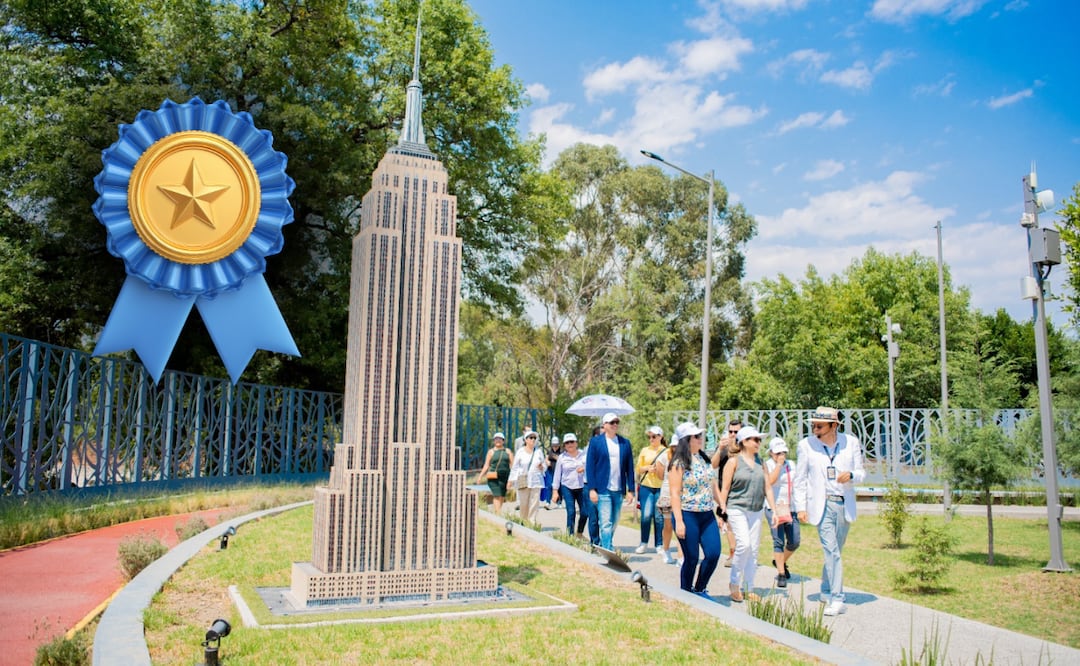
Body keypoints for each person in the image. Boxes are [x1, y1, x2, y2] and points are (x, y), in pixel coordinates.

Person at [793, 406, 865, 617]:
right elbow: (800, 479)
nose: (815, 429)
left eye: (820, 426)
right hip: (821, 505)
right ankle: (837, 598)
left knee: (836, 552)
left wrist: (851, 475)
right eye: (814, 425)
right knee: (831, 551)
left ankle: (826, 588)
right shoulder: (806, 445)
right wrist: (800, 508)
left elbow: (861, 473)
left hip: (843, 503)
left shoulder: (851, 443)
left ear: (833, 426)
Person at [718, 425, 777, 603]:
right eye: (755, 439)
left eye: (759, 440)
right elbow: (725, 488)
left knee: (754, 549)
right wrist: (722, 512)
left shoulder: (761, 462)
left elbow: (767, 487)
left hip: (756, 509)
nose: (758, 442)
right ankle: (734, 583)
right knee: (744, 545)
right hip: (737, 508)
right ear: (744, 441)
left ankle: (749, 587)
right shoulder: (733, 462)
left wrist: (774, 510)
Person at [669, 421, 722, 596]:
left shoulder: (703, 459)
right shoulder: (678, 463)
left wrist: (723, 507)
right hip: (687, 514)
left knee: (713, 553)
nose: (700, 439)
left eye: (700, 435)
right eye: (696, 436)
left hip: (706, 514)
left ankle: (700, 588)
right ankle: (685, 593)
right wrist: (679, 521)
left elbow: (713, 485)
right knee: (691, 558)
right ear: (686, 440)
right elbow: (675, 493)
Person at [585, 412, 635, 551]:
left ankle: (605, 543)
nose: (615, 425)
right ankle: (608, 549)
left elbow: (630, 467)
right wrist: (592, 489)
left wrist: (631, 490)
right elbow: (590, 466)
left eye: (617, 422)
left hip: (618, 489)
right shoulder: (596, 442)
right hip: (603, 488)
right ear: (605, 425)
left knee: (614, 520)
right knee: (605, 522)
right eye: (612, 422)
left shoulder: (625, 443)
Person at [765, 436, 800, 588]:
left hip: (790, 507)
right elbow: (769, 482)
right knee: (778, 540)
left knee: (794, 541)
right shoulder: (767, 465)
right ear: (771, 453)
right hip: (774, 507)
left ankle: (780, 561)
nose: (781, 455)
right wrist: (778, 465)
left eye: (783, 452)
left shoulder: (791, 464)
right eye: (778, 453)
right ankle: (781, 573)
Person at [712, 419, 742, 566]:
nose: (733, 434)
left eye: (736, 432)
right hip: (725, 491)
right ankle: (733, 552)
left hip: (740, 491)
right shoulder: (723, 447)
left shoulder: (744, 447)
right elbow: (713, 465)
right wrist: (720, 449)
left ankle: (742, 552)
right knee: (729, 522)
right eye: (730, 431)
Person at [635, 425, 667, 555]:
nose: (651, 439)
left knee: (659, 517)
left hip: (661, 487)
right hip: (646, 486)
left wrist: (659, 470)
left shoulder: (666, 451)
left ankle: (659, 544)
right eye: (649, 436)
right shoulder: (645, 450)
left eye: (654, 436)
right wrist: (647, 468)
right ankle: (643, 543)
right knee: (646, 515)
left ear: (660, 437)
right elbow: (638, 469)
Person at [552, 433, 587, 536]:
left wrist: (584, 468)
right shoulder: (562, 457)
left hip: (582, 486)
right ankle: (570, 536)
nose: (570, 444)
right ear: (564, 445)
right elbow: (557, 475)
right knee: (571, 512)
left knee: (585, 512)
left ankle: (579, 532)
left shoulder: (584, 455)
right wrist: (555, 491)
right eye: (567, 443)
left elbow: (591, 466)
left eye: (572, 442)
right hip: (567, 487)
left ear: (576, 443)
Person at [509, 430, 547, 524]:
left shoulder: (538, 452)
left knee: (534, 502)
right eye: (531, 437)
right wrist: (511, 480)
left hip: (536, 480)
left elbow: (544, 465)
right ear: (525, 440)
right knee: (523, 503)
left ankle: (532, 521)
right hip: (523, 480)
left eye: (535, 438)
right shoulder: (520, 452)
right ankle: (523, 520)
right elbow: (515, 467)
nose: (533, 440)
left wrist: (542, 467)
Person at [654, 439, 680, 565]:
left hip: (681, 495)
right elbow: (660, 474)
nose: (675, 448)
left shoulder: (686, 457)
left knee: (681, 525)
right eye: (673, 446)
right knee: (668, 525)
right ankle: (666, 549)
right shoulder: (665, 456)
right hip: (667, 494)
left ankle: (681, 556)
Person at [475, 432, 514, 515]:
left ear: (503, 441)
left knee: (502, 495)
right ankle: (498, 513)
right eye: (496, 439)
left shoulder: (508, 451)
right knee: (497, 495)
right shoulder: (491, 452)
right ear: (494, 441)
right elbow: (486, 465)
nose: (498, 441)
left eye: (500, 439)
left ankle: (498, 512)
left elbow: (512, 465)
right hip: (493, 478)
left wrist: (512, 478)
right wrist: (480, 476)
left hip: (505, 477)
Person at [541, 435, 561, 509]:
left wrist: (557, 458)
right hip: (550, 471)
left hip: (558, 472)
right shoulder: (549, 451)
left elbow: (561, 459)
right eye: (553, 445)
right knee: (549, 485)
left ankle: (559, 502)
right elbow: (546, 458)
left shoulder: (561, 452)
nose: (555, 447)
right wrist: (547, 462)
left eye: (556, 445)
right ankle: (548, 502)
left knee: (559, 486)